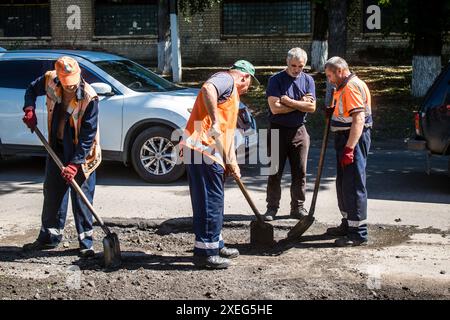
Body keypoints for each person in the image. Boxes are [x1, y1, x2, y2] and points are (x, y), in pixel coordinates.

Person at [181, 60, 259, 269]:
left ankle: (216, 243)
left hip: (211, 153)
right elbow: (208, 88)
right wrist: (214, 120)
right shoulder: (226, 80)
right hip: (202, 150)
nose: (248, 88)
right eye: (249, 83)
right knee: (209, 202)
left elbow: (227, 136)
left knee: (214, 201)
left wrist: (233, 164)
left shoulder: (232, 98)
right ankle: (206, 253)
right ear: (245, 77)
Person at [22, 56, 101, 257]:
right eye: (68, 84)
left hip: (83, 154)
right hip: (56, 146)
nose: (72, 87)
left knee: (81, 199)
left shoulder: (89, 98)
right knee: (52, 194)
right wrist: (29, 109)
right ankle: (50, 237)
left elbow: (87, 136)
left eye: (74, 82)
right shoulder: (50, 79)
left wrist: (74, 164)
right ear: (59, 77)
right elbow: (31, 89)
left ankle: (86, 243)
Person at [324, 56, 372, 247]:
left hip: (352, 139)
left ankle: (358, 232)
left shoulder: (351, 87)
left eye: (330, 75)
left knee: (353, 185)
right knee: (344, 184)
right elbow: (345, 113)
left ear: (341, 71)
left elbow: (358, 120)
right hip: (345, 138)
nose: (329, 80)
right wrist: (333, 111)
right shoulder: (343, 86)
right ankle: (347, 223)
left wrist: (350, 148)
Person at [264, 48, 316, 221]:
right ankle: (272, 208)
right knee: (273, 171)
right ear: (287, 62)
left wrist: (288, 101)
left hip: (299, 130)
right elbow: (275, 109)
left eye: (300, 66)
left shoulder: (308, 80)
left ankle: (298, 207)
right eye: (293, 65)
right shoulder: (275, 80)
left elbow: (312, 107)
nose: (296, 69)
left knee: (300, 172)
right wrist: (300, 103)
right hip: (277, 129)